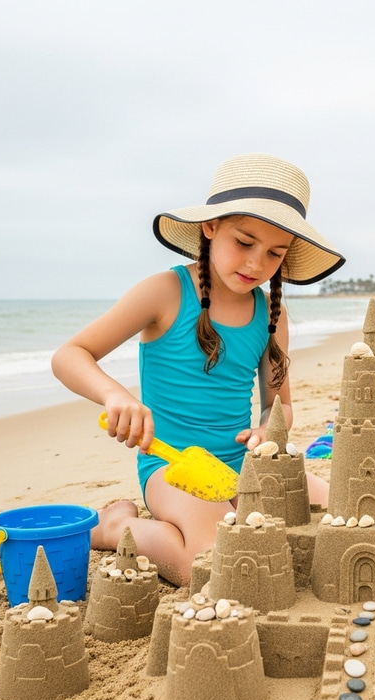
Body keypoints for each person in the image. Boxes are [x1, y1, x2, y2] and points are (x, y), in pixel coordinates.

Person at [52, 153, 344, 585]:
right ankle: (115, 527)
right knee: (210, 566)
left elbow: (279, 405)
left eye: (274, 253)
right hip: (171, 464)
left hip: (243, 464)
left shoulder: (272, 315)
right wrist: (116, 396)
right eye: (244, 243)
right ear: (210, 227)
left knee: (341, 518)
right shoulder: (166, 291)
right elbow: (70, 354)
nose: (256, 264)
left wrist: (268, 430)